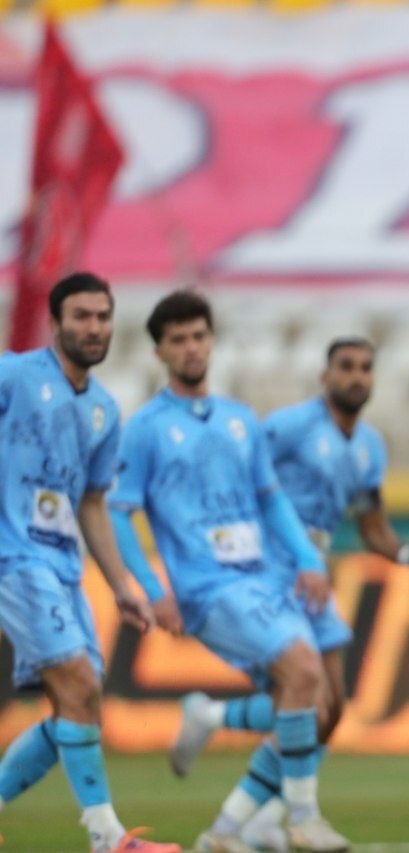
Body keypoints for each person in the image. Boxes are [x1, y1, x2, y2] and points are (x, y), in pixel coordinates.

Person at [167, 336, 409, 851]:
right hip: (269, 566)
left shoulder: (370, 446)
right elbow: (238, 470)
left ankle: (236, 786)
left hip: (313, 571)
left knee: (329, 712)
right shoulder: (291, 426)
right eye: (346, 366)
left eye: (365, 368)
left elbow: (372, 526)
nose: (356, 376)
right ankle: (264, 821)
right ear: (325, 375)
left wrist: (406, 555)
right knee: (307, 701)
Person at [108, 291, 347, 853]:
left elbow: (271, 499)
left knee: (313, 707)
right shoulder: (146, 428)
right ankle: (304, 819)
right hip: (207, 586)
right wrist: (152, 589)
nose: (191, 348)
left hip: (261, 578)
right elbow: (117, 513)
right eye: (178, 340)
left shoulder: (240, 419)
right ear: (160, 352)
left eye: (199, 336)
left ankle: (223, 829)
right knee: (304, 668)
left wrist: (308, 561)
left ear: (211, 341)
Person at [0, 273, 179, 852]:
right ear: (55, 322)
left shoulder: (103, 409)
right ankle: (109, 839)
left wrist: (122, 585)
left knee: (82, 699)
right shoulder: (15, 376)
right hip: (13, 556)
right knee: (77, 683)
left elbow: (93, 503)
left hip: (62, 564)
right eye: (81, 316)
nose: (94, 327)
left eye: (102, 316)